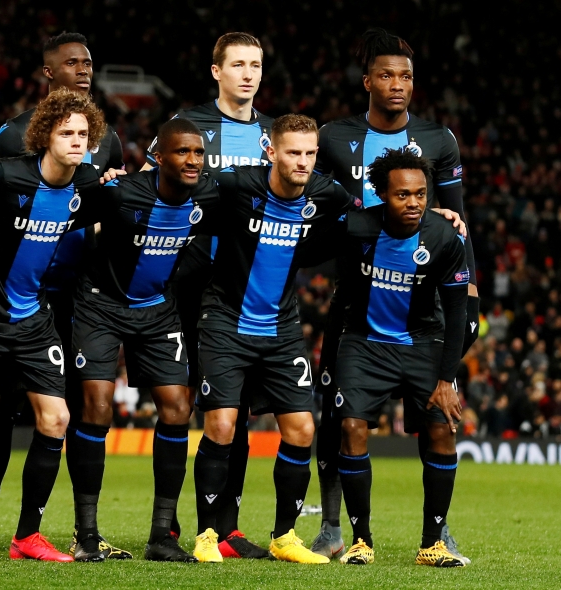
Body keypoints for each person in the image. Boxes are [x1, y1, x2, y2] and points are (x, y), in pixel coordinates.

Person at [310, 28, 477, 561]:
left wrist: (468, 303)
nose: (397, 84)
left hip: (423, 302)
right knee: (340, 419)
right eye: (386, 74)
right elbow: (314, 208)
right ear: (367, 81)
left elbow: (455, 225)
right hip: (356, 298)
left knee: (434, 421)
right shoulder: (334, 138)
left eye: (406, 75)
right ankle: (335, 526)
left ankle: (438, 531)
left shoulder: (439, 139)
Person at [0, 31, 126, 559]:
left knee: (73, 409)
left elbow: (108, 202)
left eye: (88, 61)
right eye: (71, 63)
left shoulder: (105, 138)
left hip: (74, 295)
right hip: (15, 295)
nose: (83, 69)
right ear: (48, 72)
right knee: (2, 404)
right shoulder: (13, 136)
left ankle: (84, 531)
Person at [0, 87, 107, 562]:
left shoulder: (90, 186)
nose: (77, 141)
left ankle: (27, 536)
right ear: (44, 137)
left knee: (57, 418)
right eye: (67, 133)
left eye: (84, 133)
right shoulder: (5, 177)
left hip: (35, 319)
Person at [193, 114, 353, 564]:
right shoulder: (236, 185)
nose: (302, 162)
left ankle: (284, 536)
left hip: (281, 326)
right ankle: (207, 534)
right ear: (271, 151)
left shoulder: (327, 194)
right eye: (293, 152)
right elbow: (182, 186)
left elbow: (358, 220)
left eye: (309, 153)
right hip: (225, 318)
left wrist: (440, 214)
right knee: (222, 425)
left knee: (302, 429)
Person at [145, 32, 275, 559]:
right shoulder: (188, 128)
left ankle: (225, 525)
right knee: (177, 406)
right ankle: (167, 523)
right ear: (216, 71)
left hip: (244, 291)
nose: (248, 74)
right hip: (185, 285)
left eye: (256, 65)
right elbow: (152, 187)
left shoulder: (273, 135)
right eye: (238, 64)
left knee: (234, 413)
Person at [67, 118, 216, 563]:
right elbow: (67, 210)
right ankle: (86, 535)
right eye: (182, 152)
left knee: (177, 408)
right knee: (95, 406)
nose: (192, 161)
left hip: (157, 309)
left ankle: (161, 536)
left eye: (198, 153)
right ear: (160, 157)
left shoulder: (209, 193)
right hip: (100, 305)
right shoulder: (121, 193)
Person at [319, 149, 469, 567]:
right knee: (351, 429)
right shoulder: (357, 229)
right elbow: (341, 296)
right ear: (381, 194)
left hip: (424, 344)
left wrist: (445, 379)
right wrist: (328, 361)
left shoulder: (443, 237)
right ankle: (360, 541)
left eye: (421, 194)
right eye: (403, 195)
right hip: (364, 344)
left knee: (442, 432)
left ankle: (433, 543)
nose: (414, 203)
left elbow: (456, 310)